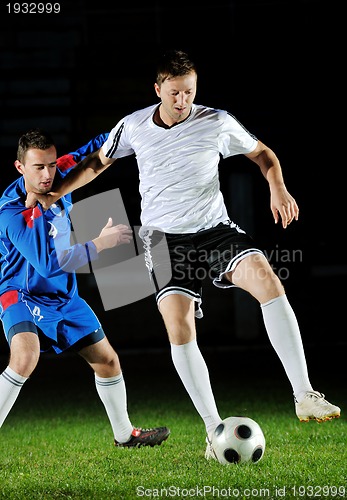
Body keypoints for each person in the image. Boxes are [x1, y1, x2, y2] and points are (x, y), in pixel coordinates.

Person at [25, 50, 341, 460]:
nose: (182, 101)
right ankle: (214, 431)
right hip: (163, 242)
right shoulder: (133, 126)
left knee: (268, 281)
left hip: (214, 230)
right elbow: (95, 164)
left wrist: (277, 187)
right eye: (174, 93)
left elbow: (264, 154)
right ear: (158, 89)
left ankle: (304, 394)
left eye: (189, 91)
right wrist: (55, 195)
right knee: (179, 326)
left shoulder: (216, 121)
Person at [0, 128, 170, 449]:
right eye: (39, 167)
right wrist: (100, 244)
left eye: (51, 165)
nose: (48, 174)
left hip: (63, 296)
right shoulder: (12, 213)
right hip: (20, 295)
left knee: (107, 361)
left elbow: (96, 150)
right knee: (24, 358)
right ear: (20, 168)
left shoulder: (61, 172)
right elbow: (50, 263)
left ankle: (125, 435)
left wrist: (137, 128)